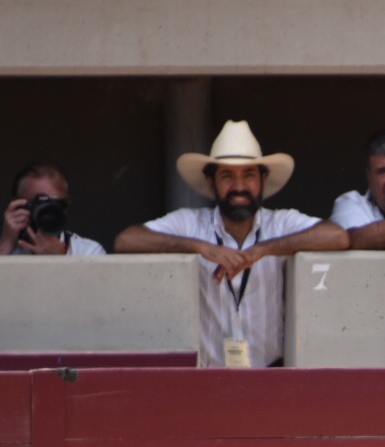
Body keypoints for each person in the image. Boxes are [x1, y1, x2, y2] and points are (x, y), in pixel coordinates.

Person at [114, 120, 349, 368]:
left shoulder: (280, 223)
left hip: (271, 375)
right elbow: (126, 240)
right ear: (212, 182)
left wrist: (261, 250)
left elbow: (337, 236)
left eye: (249, 175)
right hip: (207, 379)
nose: (238, 187)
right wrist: (203, 248)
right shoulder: (190, 224)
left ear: (263, 179)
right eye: (227, 176)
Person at [0, 163, 107, 256]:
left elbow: (94, 296)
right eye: (37, 203)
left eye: (54, 203)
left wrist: (61, 259)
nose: (45, 210)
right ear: (16, 205)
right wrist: (5, 245)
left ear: (66, 207)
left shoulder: (88, 252)